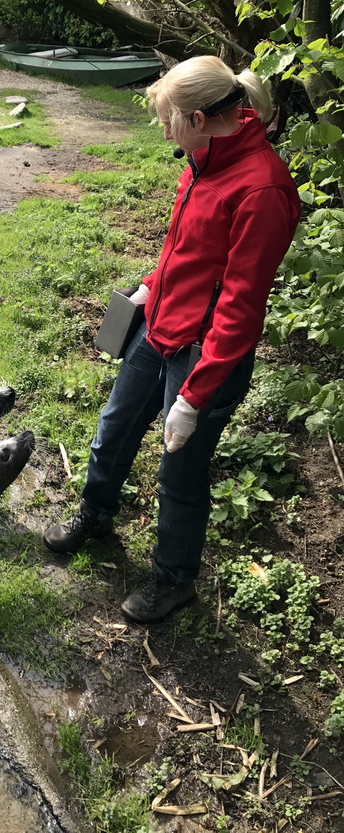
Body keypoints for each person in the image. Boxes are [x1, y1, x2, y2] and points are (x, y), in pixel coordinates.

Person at [43, 56, 301, 623]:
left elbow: (239, 304)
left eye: (167, 120)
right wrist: (145, 289)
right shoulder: (201, 160)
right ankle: (96, 513)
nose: (162, 131)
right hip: (160, 325)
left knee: (180, 469)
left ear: (201, 118)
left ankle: (174, 577)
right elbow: (186, 252)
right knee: (115, 426)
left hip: (206, 353)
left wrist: (195, 396)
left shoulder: (261, 191)